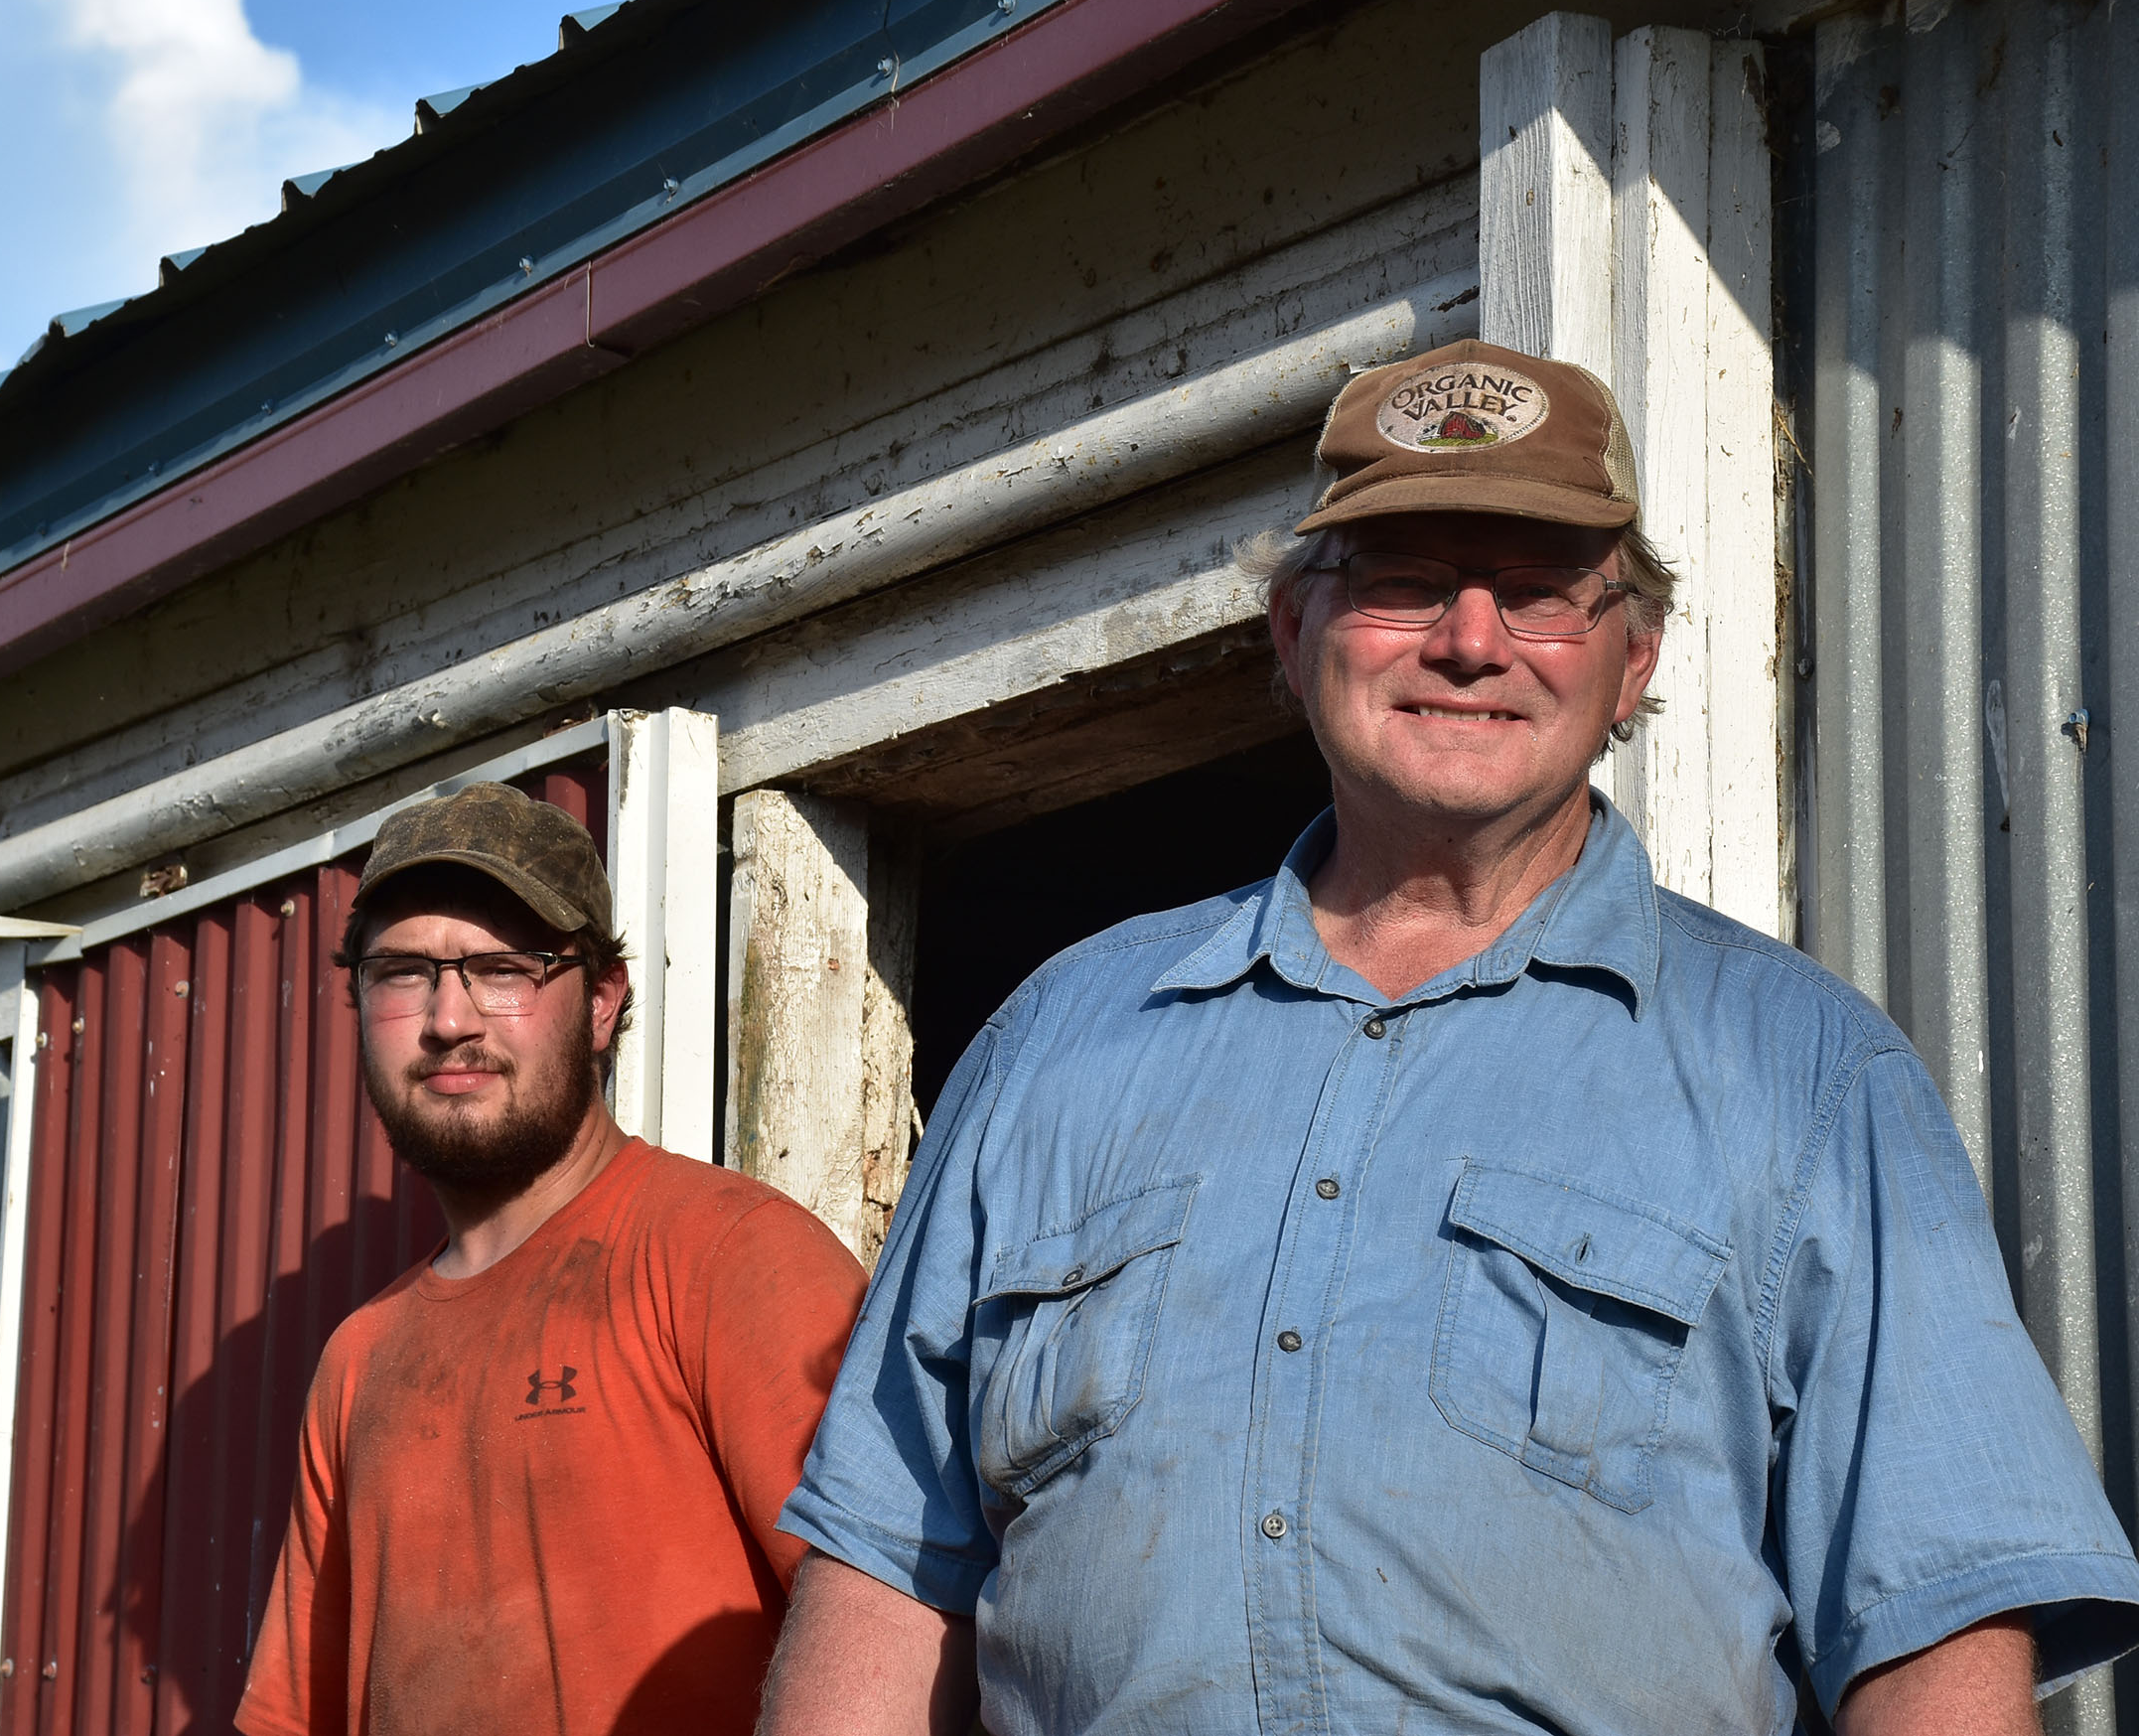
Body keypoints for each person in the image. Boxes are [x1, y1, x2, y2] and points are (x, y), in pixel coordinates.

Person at [760, 341, 2139, 1735]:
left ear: (1630, 659)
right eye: (1405, 580)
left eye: (1538, 591)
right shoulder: (1056, 1041)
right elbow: (891, 1576)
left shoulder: (1807, 1073)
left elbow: (1931, 1638)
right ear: (1294, 635)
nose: (1470, 640)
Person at [236, 780, 868, 1736]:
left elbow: (888, 1632)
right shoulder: (358, 1363)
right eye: (403, 972)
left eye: (505, 969)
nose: (450, 1019)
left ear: (603, 1000)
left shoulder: (732, 1260)